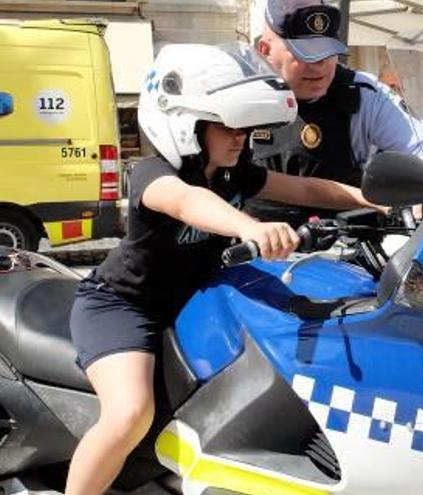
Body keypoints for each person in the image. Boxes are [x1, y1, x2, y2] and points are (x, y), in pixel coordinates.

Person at [64, 43, 378, 495]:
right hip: (124, 307)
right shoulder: (153, 175)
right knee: (130, 412)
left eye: (244, 129)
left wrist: (377, 199)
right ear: (188, 126)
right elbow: (189, 203)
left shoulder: (233, 172)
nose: (239, 138)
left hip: (196, 305)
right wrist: (252, 227)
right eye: (226, 126)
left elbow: (308, 188)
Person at [248, 0, 423, 226]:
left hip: (345, 253)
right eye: (305, 54)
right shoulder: (240, 96)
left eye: (327, 51)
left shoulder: (362, 94)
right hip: (252, 253)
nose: (320, 65)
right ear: (265, 50)